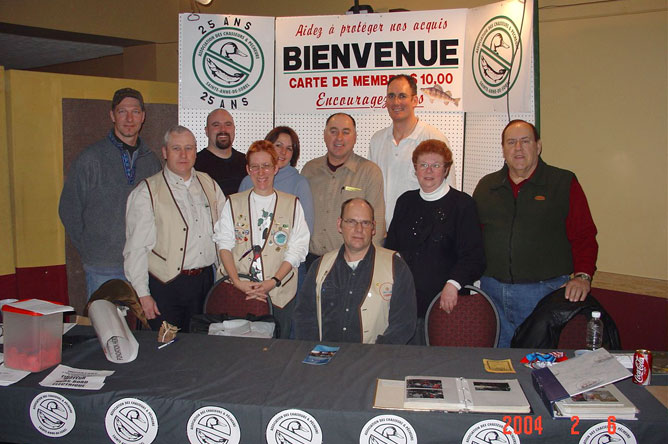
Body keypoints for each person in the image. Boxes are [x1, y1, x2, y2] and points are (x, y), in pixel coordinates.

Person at [473, 120, 598, 347]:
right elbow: (472, 238)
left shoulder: (562, 182)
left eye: (525, 141)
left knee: (537, 366)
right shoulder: (486, 186)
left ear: (538, 146)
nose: (518, 148)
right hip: (492, 293)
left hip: (543, 293)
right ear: (503, 149)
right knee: (496, 366)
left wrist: (583, 276)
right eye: (511, 142)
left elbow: (584, 235)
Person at [59, 88, 161, 298]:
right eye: (122, 111)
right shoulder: (90, 159)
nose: (129, 118)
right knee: (106, 328)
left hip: (143, 266)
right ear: (112, 115)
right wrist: (92, 250)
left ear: (143, 116)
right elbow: (69, 209)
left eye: (135, 111)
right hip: (102, 267)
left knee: (138, 330)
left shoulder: (151, 161)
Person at [124, 125, 226, 332]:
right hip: (166, 287)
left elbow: (225, 233)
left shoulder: (210, 184)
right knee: (167, 347)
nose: (183, 154)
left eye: (189, 148)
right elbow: (135, 250)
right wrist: (143, 294)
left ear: (196, 152)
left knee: (200, 349)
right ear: (164, 152)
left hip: (205, 284)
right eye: (176, 148)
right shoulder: (147, 192)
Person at [385, 139, 485, 344]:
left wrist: (453, 284)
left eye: (436, 165)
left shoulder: (463, 205)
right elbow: (391, 251)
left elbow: (474, 257)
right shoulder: (405, 202)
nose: (428, 170)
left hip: (445, 303)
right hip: (407, 303)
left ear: (446, 170)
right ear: (415, 169)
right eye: (423, 165)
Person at [213, 140, 309, 338]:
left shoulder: (292, 205)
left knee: (276, 352)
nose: (261, 172)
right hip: (238, 289)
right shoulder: (233, 202)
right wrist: (237, 281)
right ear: (248, 170)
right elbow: (224, 244)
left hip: (279, 293)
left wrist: (273, 281)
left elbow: (297, 249)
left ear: (275, 168)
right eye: (255, 167)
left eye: (266, 166)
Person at [294, 198, 416, 344]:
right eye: (351, 221)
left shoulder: (396, 267)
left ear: (373, 228)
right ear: (339, 225)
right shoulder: (319, 267)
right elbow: (305, 318)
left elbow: (403, 325)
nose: (359, 229)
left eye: (365, 223)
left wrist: (375, 357)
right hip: (325, 359)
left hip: (375, 359)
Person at [369, 74, 454, 228]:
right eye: (391, 96)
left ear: (415, 100)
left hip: (423, 233)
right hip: (384, 235)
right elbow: (372, 190)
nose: (396, 102)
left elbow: (449, 193)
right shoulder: (377, 141)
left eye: (402, 96)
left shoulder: (434, 138)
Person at [301, 113, 385, 269]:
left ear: (355, 137)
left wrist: (368, 266)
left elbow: (377, 225)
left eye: (346, 132)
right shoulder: (309, 170)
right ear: (325, 135)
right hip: (311, 262)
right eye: (333, 131)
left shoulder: (369, 172)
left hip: (351, 262)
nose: (339, 137)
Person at [239, 126, 314, 233]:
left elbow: (306, 229)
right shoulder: (248, 181)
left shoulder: (300, 183)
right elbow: (239, 221)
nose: (283, 152)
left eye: (289, 148)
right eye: (278, 145)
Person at [194, 108, 247, 196]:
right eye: (216, 125)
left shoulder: (246, 162)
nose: (223, 129)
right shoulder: (195, 165)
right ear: (206, 131)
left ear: (234, 129)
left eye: (228, 124)